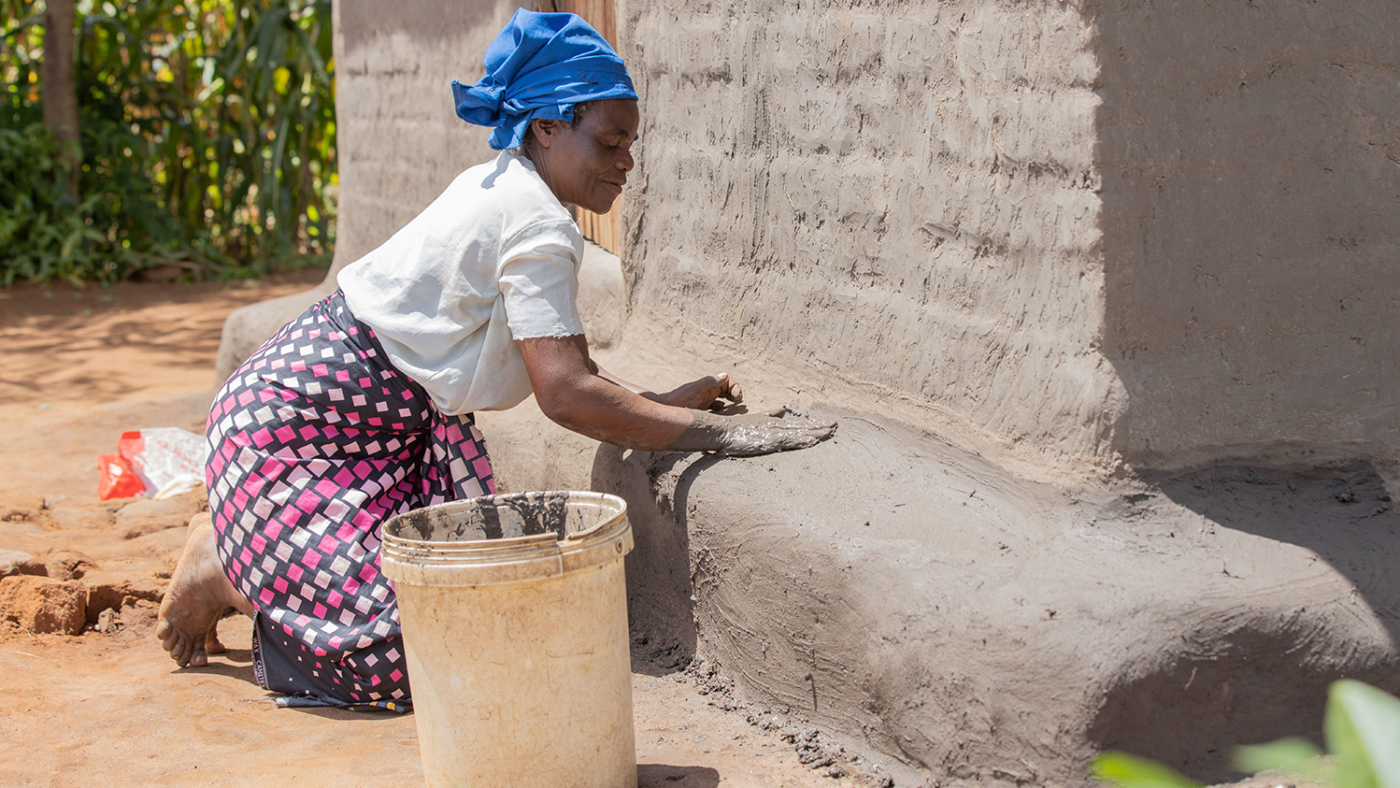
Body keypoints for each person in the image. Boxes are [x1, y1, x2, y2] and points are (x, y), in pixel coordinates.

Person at [155, 10, 835, 710]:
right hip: (298, 440)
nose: (626, 163)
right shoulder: (536, 222)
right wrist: (719, 436)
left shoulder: (505, 185)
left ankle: (251, 562)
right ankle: (228, 570)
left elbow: (570, 365)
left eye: (630, 144)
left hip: (346, 430)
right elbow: (565, 393)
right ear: (546, 128)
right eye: (609, 142)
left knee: (453, 595)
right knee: (414, 651)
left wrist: (656, 403)